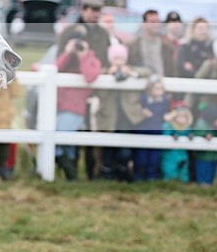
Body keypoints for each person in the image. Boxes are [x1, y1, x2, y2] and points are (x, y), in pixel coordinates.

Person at [57, 0, 109, 179]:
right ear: (83, 10)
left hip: (95, 90)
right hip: (71, 93)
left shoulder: (103, 34)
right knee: (70, 135)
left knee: (91, 134)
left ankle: (91, 172)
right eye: (90, 9)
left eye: (97, 10)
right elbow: (59, 60)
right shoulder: (70, 31)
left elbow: (104, 59)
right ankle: (70, 171)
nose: (94, 13)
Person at [92, 43, 150, 181]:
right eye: (115, 58)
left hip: (127, 117)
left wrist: (131, 73)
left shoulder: (131, 70)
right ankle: (106, 175)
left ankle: (123, 175)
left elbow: (148, 72)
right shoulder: (104, 72)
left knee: (125, 149)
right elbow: (100, 94)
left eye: (121, 58)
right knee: (107, 149)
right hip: (109, 116)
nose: (118, 62)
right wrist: (107, 75)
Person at [54, 25, 102, 180]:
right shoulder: (66, 58)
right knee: (67, 146)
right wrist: (67, 53)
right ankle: (70, 177)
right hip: (57, 106)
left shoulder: (93, 60)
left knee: (60, 142)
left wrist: (83, 56)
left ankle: (70, 174)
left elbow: (90, 77)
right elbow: (54, 70)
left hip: (75, 109)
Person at [131, 76, 170, 181]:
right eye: (156, 88)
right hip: (143, 130)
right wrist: (142, 112)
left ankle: (150, 177)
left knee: (154, 157)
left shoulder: (164, 101)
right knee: (141, 156)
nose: (159, 91)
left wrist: (166, 117)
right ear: (150, 89)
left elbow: (164, 114)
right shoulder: (143, 99)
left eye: (161, 88)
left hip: (156, 130)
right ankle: (138, 177)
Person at [127, 9, 176, 77]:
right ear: (144, 24)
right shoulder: (132, 46)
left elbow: (172, 70)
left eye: (158, 21)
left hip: (162, 84)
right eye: (152, 22)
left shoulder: (167, 45)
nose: (156, 24)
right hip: (140, 84)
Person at [192, 102, 217, 186]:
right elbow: (197, 132)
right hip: (202, 155)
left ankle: (209, 184)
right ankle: (202, 185)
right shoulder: (201, 123)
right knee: (203, 170)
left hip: (214, 155)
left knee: (212, 171)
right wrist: (205, 135)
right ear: (212, 119)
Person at [161, 102, 193, 182]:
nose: (181, 119)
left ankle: (183, 182)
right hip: (170, 152)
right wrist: (172, 134)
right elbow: (165, 133)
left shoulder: (187, 127)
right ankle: (169, 182)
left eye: (184, 117)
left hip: (182, 152)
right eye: (179, 116)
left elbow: (189, 132)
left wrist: (190, 135)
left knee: (183, 167)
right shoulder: (168, 125)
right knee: (169, 167)